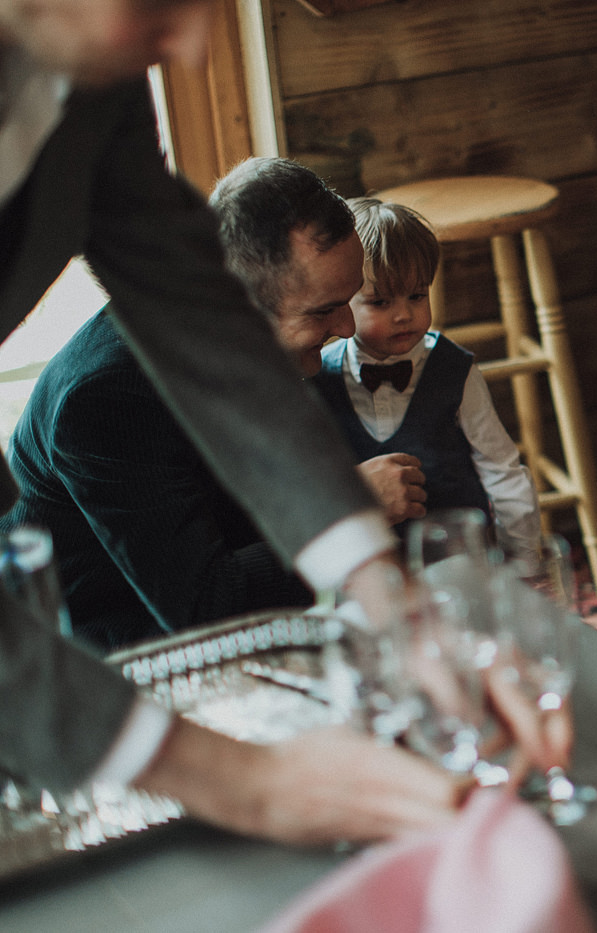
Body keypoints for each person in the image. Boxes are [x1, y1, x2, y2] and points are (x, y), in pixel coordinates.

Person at [0, 0, 562, 847]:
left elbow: (202, 315)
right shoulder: (98, 402)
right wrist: (252, 785)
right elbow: (183, 609)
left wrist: (388, 600)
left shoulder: (97, 84)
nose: (191, 47)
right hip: (94, 649)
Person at [1, 160, 430, 649]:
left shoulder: (248, 338)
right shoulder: (105, 400)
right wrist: (350, 505)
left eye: (348, 301)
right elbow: (205, 606)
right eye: (324, 311)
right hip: (113, 652)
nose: (347, 329)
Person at [312, 197, 540, 559]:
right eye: (381, 302)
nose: (404, 314)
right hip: (371, 563)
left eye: (417, 295)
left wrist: (524, 559)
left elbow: (503, 471)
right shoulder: (318, 374)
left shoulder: (455, 372)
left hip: (460, 559)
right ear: (343, 301)